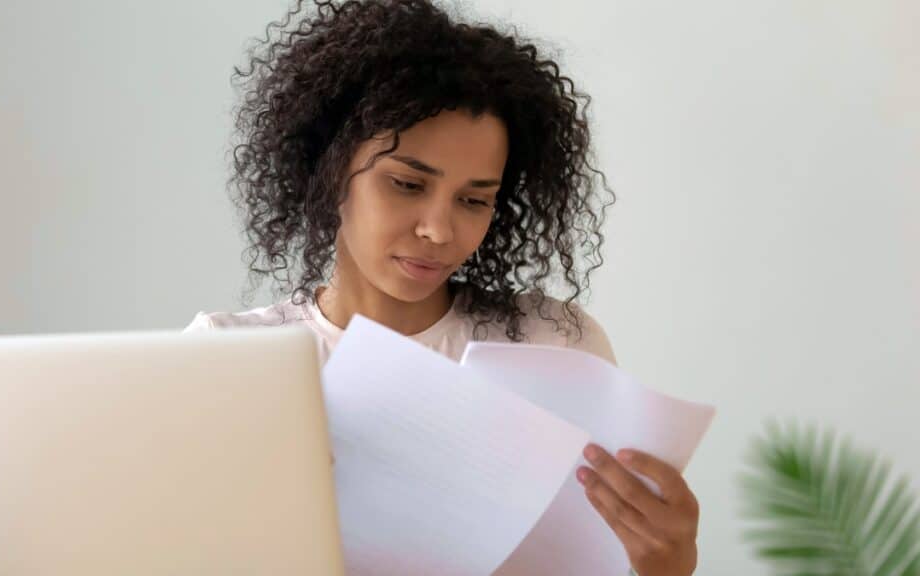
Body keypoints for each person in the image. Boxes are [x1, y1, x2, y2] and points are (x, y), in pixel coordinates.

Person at [184, 1, 700, 573]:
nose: (438, 229)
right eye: (406, 184)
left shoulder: (554, 344)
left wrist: (667, 566)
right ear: (328, 172)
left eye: (474, 199)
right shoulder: (225, 358)